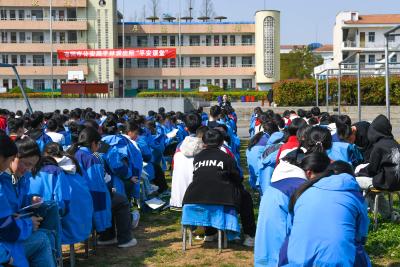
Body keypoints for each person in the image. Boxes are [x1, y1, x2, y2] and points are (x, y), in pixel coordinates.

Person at [279, 161, 371, 266]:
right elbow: (361, 235)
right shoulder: (356, 196)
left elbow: (290, 229)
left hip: (293, 259)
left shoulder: (303, 191)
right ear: (352, 177)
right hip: (337, 261)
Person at [254, 152, 331, 267]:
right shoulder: (301, 187)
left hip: (265, 247)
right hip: (282, 249)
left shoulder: (281, 178)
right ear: (309, 173)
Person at [183, 129, 256, 247]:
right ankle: (250, 235)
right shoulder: (226, 157)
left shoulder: (198, 157)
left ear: (203, 142)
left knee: (208, 190)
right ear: (222, 142)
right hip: (221, 197)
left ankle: (210, 233)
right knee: (246, 197)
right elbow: (237, 177)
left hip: (193, 196)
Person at [0, 135, 56, 267]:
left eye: (31, 166)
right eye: (25, 163)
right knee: (44, 238)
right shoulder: (3, 179)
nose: (27, 169)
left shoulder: (20, 178)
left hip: (12, 231)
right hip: (6, 243)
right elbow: (6, 228)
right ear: (12, 157)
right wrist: (28, 224)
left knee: (50, 210)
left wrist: (30, 200)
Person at [33, 143, 94, 245]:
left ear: (45, 154)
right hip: (84, 223)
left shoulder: (50, 171)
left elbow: (60, 206)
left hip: (65, 228)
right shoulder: (75, 165)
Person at [170, 113, 205, 209]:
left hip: (182, 196)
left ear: (186, 128)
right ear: (202, 126)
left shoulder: (179, 147)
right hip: (203, 194)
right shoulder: (207, 145)